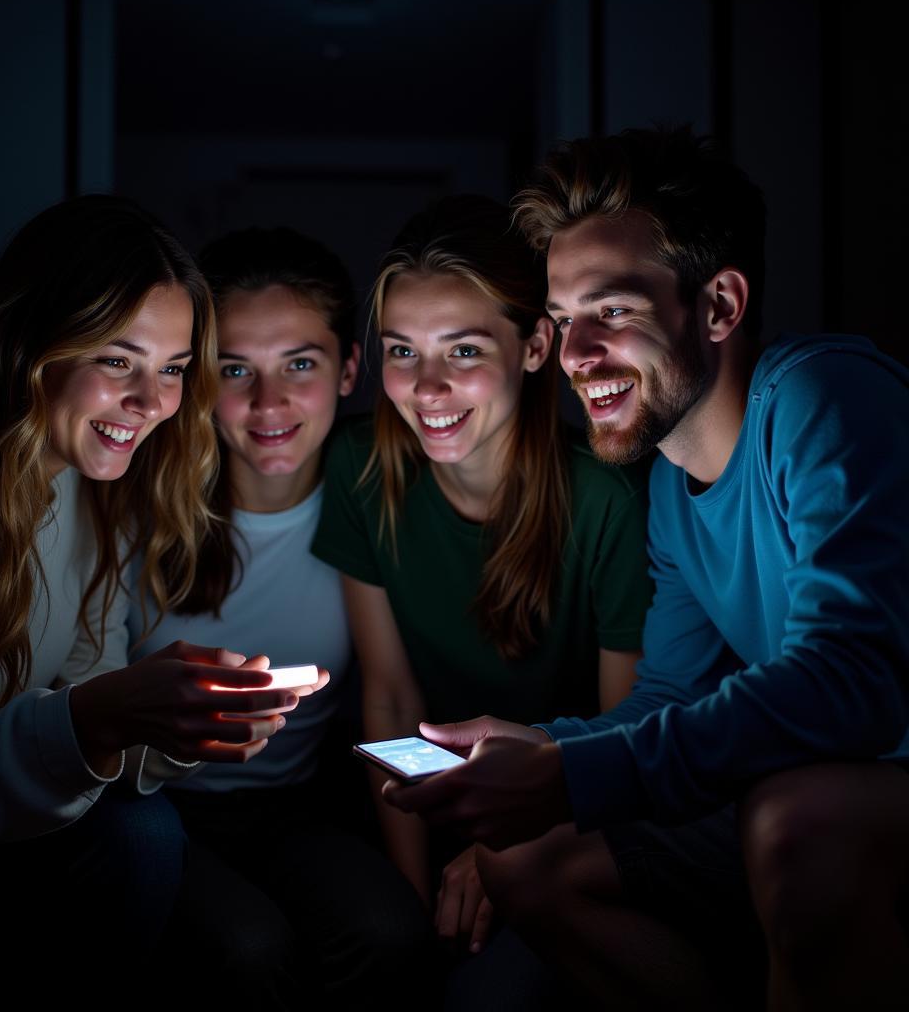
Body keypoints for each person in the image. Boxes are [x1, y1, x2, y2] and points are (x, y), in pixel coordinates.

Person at [384, 128, 909, 1010]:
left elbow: (852, 681)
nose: (579, 355)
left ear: (718, 305)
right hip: (826, 773)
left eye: (614, 311)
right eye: (561, 322)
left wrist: (571, 777)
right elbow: (670, 695)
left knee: (797, 816)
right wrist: (546, 746)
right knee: (527, 861)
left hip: (880, 770)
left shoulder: (825, 398)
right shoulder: (670, 479)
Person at [0, 197, 322, 1009]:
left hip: (13, 812)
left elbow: (86, 700)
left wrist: (182, 723)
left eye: (172, 368)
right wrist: (104, 717)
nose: (154, 402)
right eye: (119, 361)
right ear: (32, 345)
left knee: (144, 833)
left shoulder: (96, 488)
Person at [310, 195, 653, 964]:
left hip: (565, 823)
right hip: (417, 814)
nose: (426, 388)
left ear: (534, 347)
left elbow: (623, 738)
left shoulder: (607, 500)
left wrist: (507, 854)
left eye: (463, 351)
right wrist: (412, 892)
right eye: (402, 352)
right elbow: (391, 699)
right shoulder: (362, 469)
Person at [128, 226, 432, 1010]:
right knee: (248, 948)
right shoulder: (137, 501)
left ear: (349, 371)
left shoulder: (371, 501)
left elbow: (392, 696)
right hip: (148, 807)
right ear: (198, 381)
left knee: (391, 928)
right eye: (236, 369)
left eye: (300, 363)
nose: (269, 404)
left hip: (293, 808)